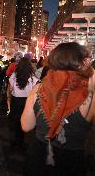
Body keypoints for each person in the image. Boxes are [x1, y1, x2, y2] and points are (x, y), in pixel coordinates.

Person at [21, 42, 95, 176]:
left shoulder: (39, 88)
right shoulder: (90, 93)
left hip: (39, 157)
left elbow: (26, 126)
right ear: (81, 62)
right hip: (71, 161)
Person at [7, 58, 38, 149]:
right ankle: (21, 142)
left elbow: (10, 89)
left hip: (16, 101)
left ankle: (14, 142)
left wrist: (8, 100)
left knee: (15, 121)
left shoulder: (14, 76)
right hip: (27, 101)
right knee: (25, 122)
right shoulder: (33, 78)